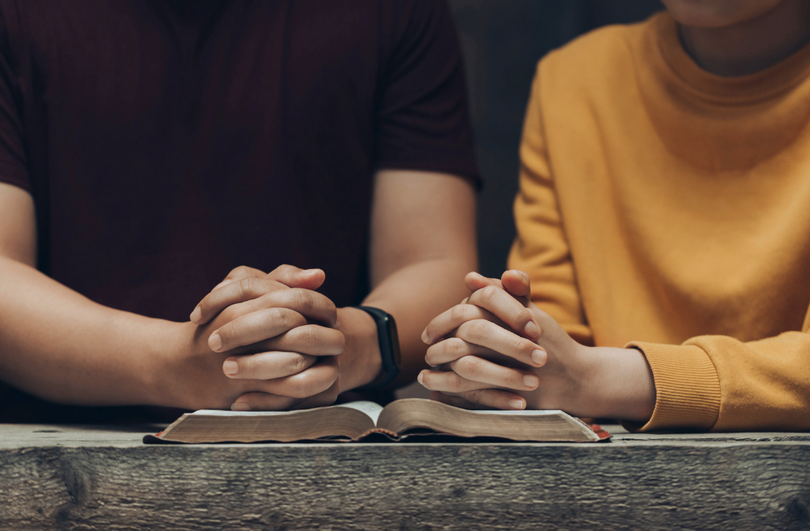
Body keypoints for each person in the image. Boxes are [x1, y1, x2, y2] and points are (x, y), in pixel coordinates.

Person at [0, 0, 479, 420]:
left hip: (325, 441)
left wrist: (347, 345)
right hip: (51, 453)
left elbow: (435, 262)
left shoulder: (396, 9)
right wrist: (171, 363)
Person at [418, 0, 810, 431]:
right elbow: (551, 349)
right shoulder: (576, 79)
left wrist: (596, 378)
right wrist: (500, 352)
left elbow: (573, 373)